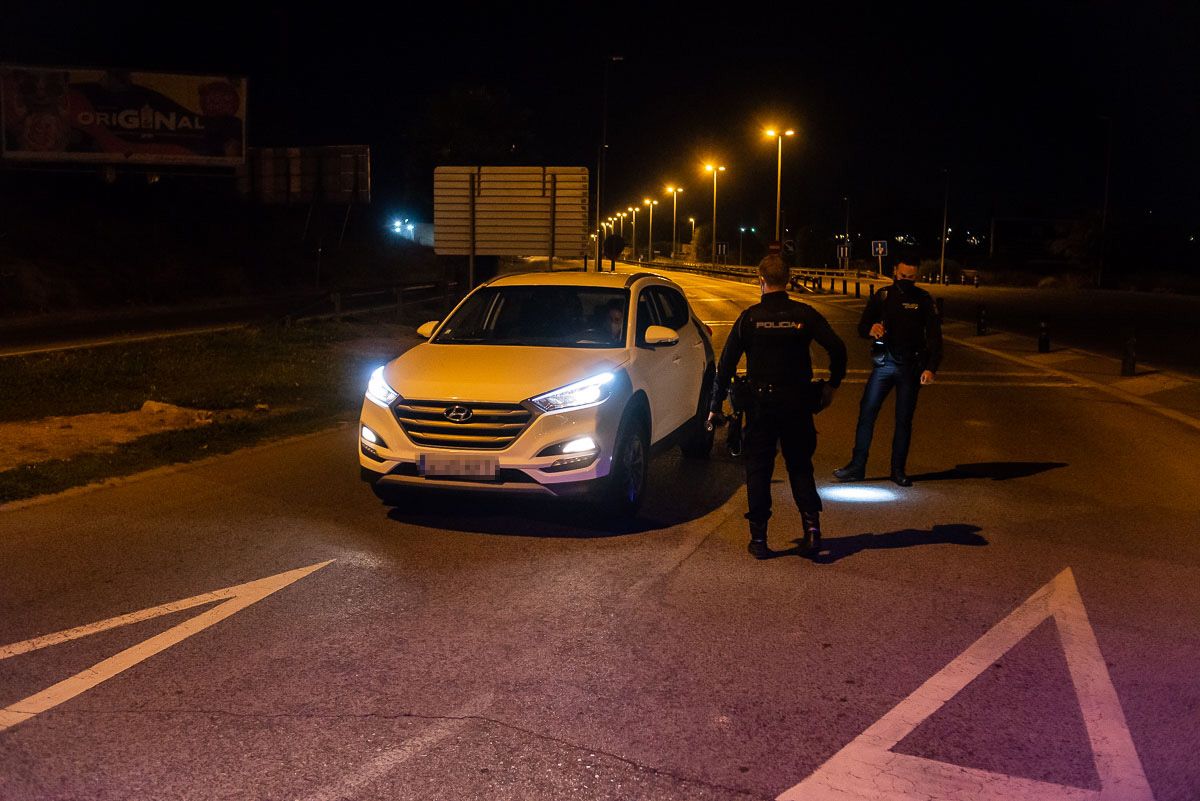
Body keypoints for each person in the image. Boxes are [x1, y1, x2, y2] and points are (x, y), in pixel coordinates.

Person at [708, 255, 848, 559]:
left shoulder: (749, 318)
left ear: (760, 279)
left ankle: (759, 539)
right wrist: (832, 384)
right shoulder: (805, 314)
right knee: (800, 466)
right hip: (797, 403)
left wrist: (715, 405)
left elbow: (726, 364)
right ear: (789, 278)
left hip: (760, 405)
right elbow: (837, 348)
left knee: (758, 469)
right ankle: (812, 531)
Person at [833, 257, 943, 487]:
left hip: (910, 367)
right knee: (867, 414)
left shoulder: (923, 300)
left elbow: (934, 337)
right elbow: (862, 327)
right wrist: (870, 329)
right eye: (903, 277)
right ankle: (857, 466)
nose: (906, 281)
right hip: (884, 364)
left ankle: (897, 470)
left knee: (903, 420)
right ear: (895, 272)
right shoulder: (883, 296)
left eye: (911, 278)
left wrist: (931, 368)